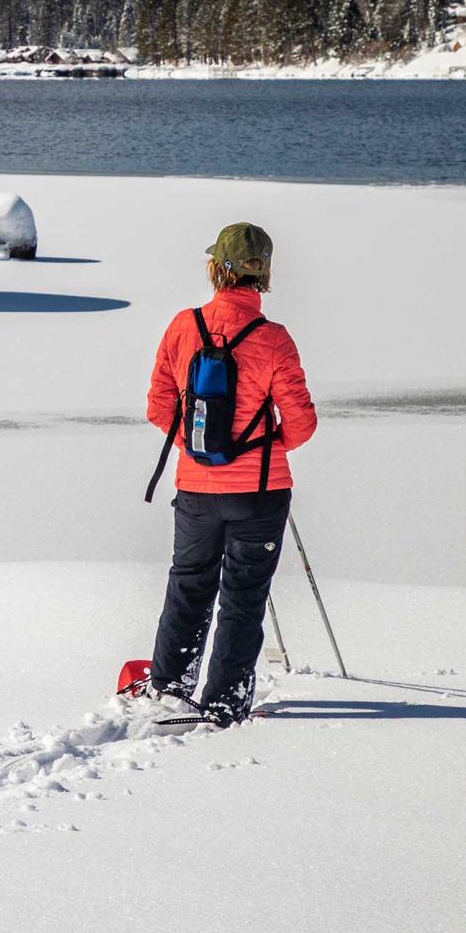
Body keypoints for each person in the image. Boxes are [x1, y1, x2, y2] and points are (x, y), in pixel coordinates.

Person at [143, 221, 317, 727]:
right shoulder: (273, 340)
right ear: (262, 274)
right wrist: (266, 448)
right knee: (243, 596)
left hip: (195, 488)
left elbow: (159, 406)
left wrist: (200, 453)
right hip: (260, 492)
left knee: (188, 584)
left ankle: (171, 684)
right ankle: (224, 702)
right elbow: (301, 423)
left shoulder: (183, 326)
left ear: (216, 267)